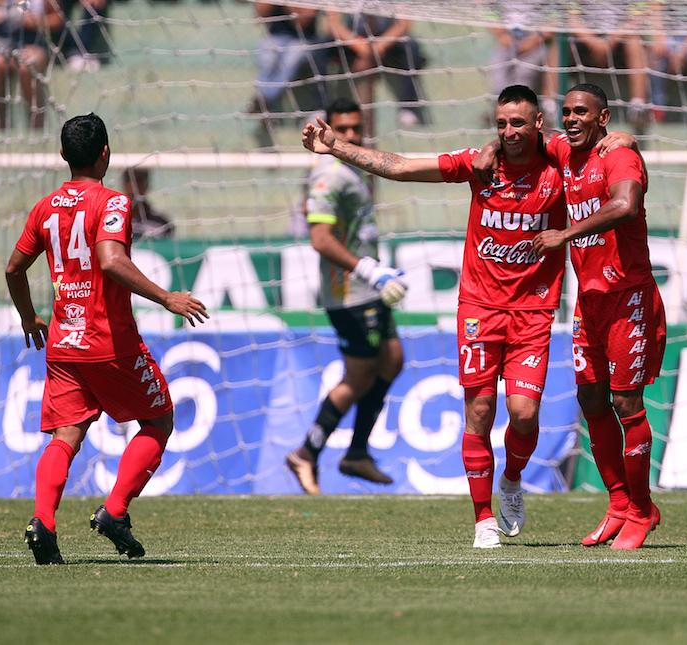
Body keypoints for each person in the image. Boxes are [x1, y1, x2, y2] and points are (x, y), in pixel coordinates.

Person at [302, 85, 568, 548]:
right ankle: (483, 519)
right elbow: (401, 168)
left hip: (534, 309)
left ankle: (511, 481)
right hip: (479, 309)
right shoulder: (480, 163)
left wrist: (618, 138)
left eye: (518, 123)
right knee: (480, 411)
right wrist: (335, 147)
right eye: (501, 124)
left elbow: (606, 146)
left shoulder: (559, 161)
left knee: (523, 415)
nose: (508, 132)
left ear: (539, 124)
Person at [5, 113, 208, 565]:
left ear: (62, 155)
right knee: (158, 421)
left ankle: (44, 522)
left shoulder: (44, 208)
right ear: (105, 154)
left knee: (66, 435)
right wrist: (165, 297)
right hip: (108, 340)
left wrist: (28, 318)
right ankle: (114, 512)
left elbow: (13, 269)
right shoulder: (113, 202)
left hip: (63, 341)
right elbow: (112, 261)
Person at [474, 83, 666, 549]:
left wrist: (566, 233)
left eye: (582, 112)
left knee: (626, 404)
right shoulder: (562, 152)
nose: (572, 119)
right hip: (589, 303)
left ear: (604, 119)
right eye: (567, 112)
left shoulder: (617, 157)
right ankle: (619, 503)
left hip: (628, 297)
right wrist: (490, 144)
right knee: (592, 400)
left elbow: (625, 205)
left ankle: (642, 510)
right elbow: (520, 131)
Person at [285, 97, 407, 496]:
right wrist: (368, 269)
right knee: (358, 377)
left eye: (357, 128)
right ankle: (307, 452)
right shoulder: (328, 175)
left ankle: (357, 452)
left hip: (366, 290)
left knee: (392, 359)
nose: (351, 135)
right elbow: (320, 239)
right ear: (328, 131)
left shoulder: (356, 167)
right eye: (344, 129)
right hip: (348, 294)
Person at [327, 11, 428, 133]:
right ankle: (319, 108)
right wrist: (360, 46)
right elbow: (333, 24)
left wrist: (377, 48)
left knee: (411, 47)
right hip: (351, 41)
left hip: (386, 41)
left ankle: (409, 107)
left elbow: (403, 24)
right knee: (319, 48)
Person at [0, 0, 64, 129]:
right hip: (3, 42)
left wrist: (34, 21)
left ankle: (36, 128)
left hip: (33, 42)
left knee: (27, 68)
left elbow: (58, 19)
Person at [121, 167, 175, 240]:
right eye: (129, 180)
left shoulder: (162, 223)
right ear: (123, 184)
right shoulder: (113, 219)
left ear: (146, 185)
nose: (134, 186)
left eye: (139, 180)